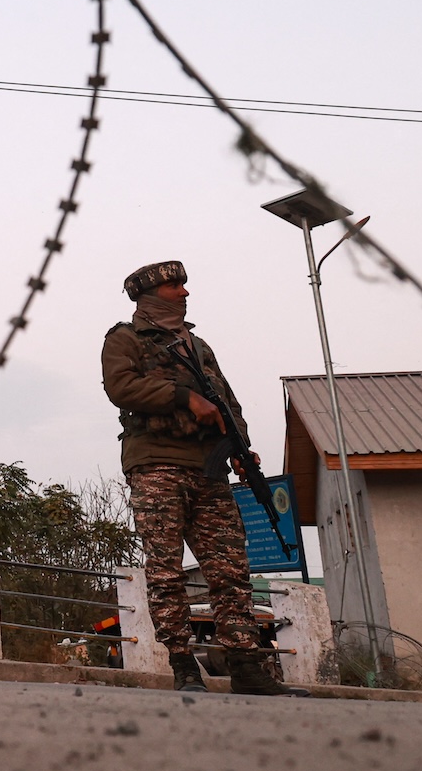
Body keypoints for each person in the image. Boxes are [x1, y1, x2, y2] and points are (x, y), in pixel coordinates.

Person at [101, 261, 308, 696]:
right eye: (175, 285)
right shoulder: (124, 339)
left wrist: (240, 446)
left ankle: (247, 666)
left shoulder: (197, 346)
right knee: (166, 570)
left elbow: (226, 401)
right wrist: (182, 397)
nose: (185, 292)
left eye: (183, 285)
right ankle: (184, 667)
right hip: (156, 464)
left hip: (208, 468)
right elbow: (121, 388)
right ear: (149, 294)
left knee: (231, 569)